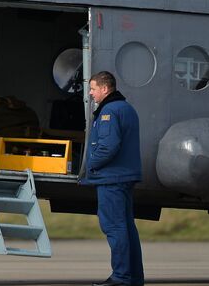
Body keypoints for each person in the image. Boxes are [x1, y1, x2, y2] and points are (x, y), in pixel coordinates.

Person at [80, 71, 144, 286]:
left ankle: (121, 277)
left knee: (114, 227)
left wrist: (90, 164)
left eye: (93, 88)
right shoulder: (127, 108)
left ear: (105, 89)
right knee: (126, 227)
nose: (90, 93)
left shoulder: (109, 111)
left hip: (112, 178)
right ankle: (134, 277)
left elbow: (108, 146)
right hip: (124, 177)